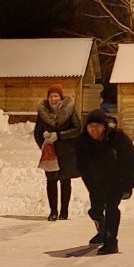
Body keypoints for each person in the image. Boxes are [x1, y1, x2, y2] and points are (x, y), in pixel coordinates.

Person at [76, 108, 134, 255]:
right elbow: (82, 167)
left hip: (117, 179)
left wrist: (128, 185)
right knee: (95, 210)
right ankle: (103, 231)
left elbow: (132, 160)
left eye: (98, 126)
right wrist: (91, 186)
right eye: (91, 126)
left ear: (104, 126)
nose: (94, 130)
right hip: (97, 181)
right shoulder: (82, 142)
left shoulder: (117, 138)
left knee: (111, 208)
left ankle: (111, 242)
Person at [33, 83, 82, 221]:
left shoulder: (69, 110)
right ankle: (53, 212)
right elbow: (37, 132)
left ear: (60, 97)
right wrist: (44, 144)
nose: (53, 98)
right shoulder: (42, 113)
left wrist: (59, 136)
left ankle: (64, 212)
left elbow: (77, 129)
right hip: (51, 152)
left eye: (56, 96)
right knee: (51, 181)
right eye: (51, 96)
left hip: (67, 152)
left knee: (65, 181)